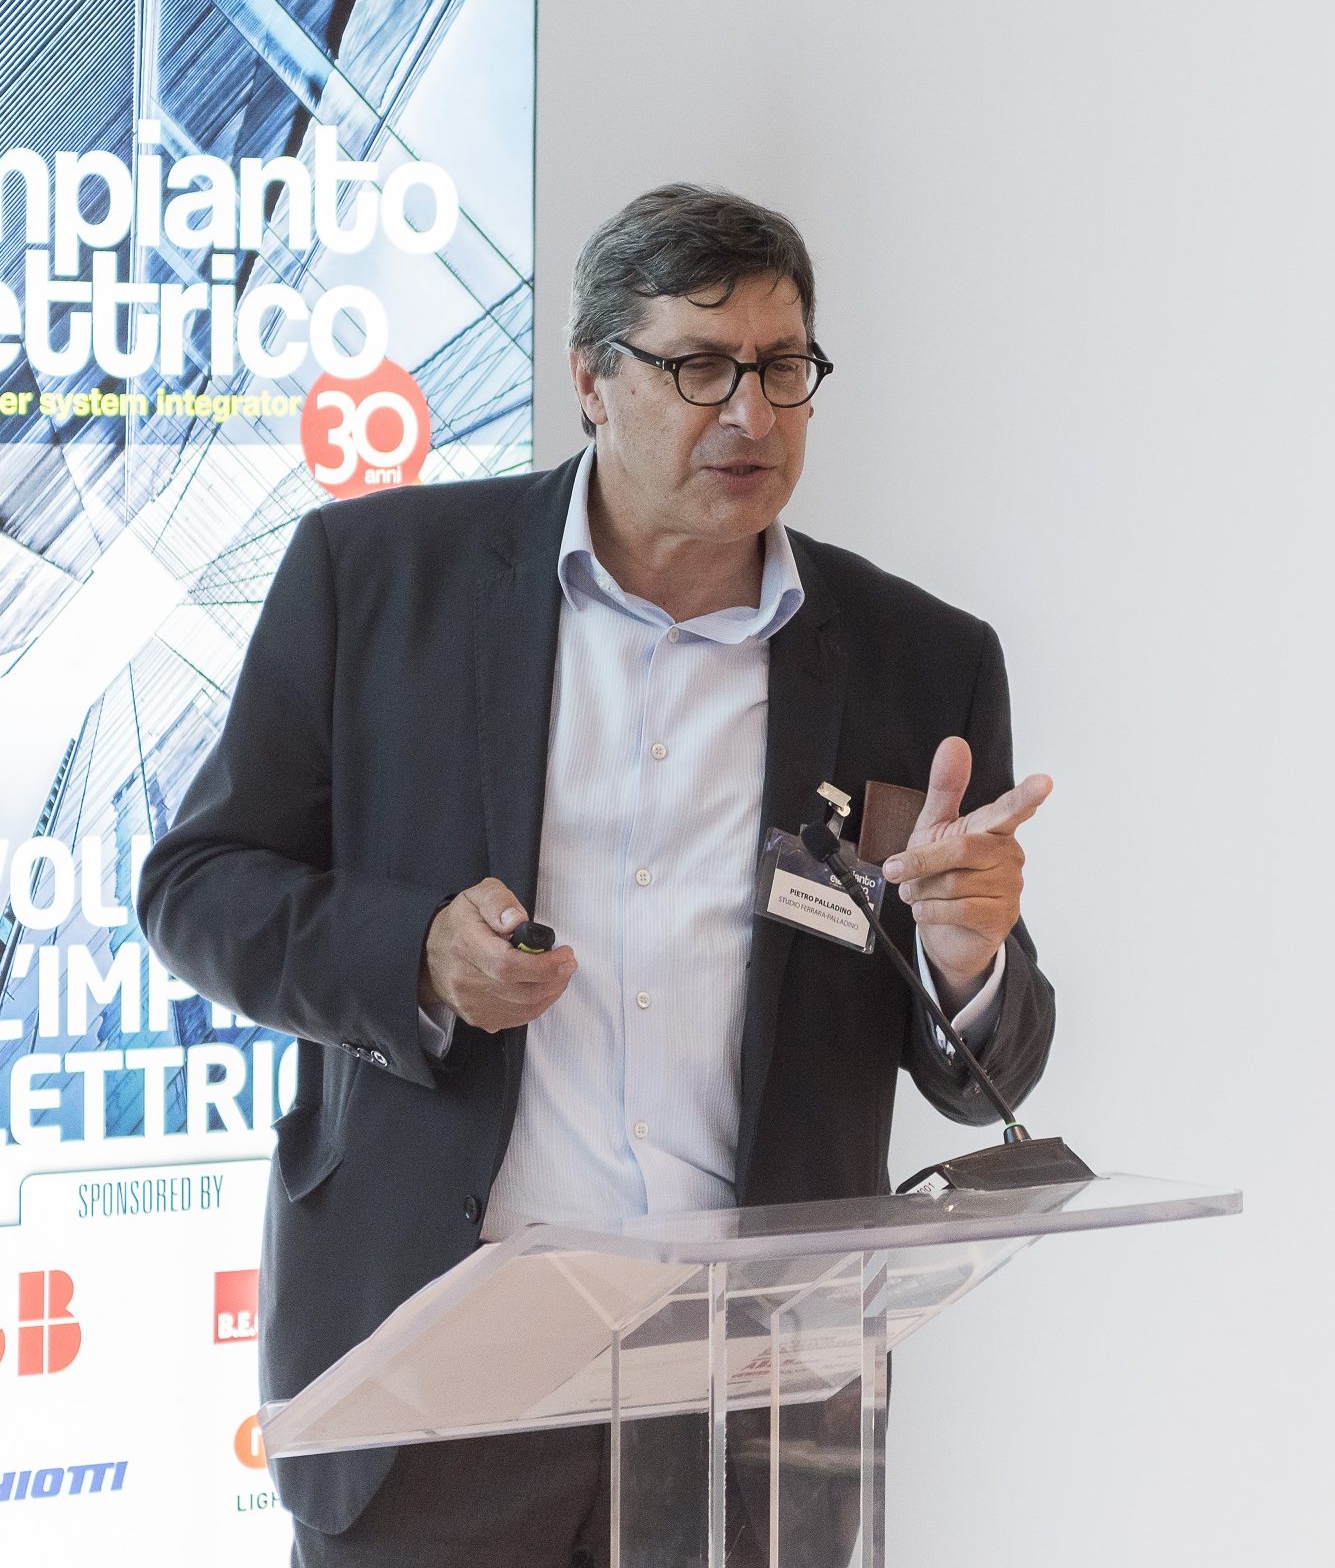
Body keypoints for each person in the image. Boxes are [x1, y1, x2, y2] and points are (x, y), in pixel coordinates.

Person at [137, 183, 1056, 1567]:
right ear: (589, 380)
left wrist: (967, 958)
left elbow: (986, 1068)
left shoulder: (921, 660)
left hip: (753, 1396)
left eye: (783, 368)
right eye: (699, 368)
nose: (751, 415)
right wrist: (415, 953)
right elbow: (197, 886)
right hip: (437, 1366)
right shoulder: (376, 579)